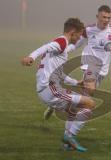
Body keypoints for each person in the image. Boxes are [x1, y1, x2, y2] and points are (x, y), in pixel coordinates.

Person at [21, 18, 95, 152]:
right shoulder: (62, 42)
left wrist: (75, 82)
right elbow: (45, 46)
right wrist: (31, 56)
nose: (78, 38)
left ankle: (66, 144)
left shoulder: (62, 47)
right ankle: (69, 138)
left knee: (74, 110)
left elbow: (58, 73)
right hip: (50, 89)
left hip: (47, 89)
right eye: (78, 35)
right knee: (89, 104)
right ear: (72, 32)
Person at [44, 5, 111, 121]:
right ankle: (70, 125)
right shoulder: (88, 30)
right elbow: (77, 44)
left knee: (85, 94)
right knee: (88, 93)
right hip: (90, 65)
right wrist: (65, 49)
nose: (106, 20)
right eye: (104, 17)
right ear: (97, 16)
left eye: (109, 18)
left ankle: (55, 104)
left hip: (103, 69)